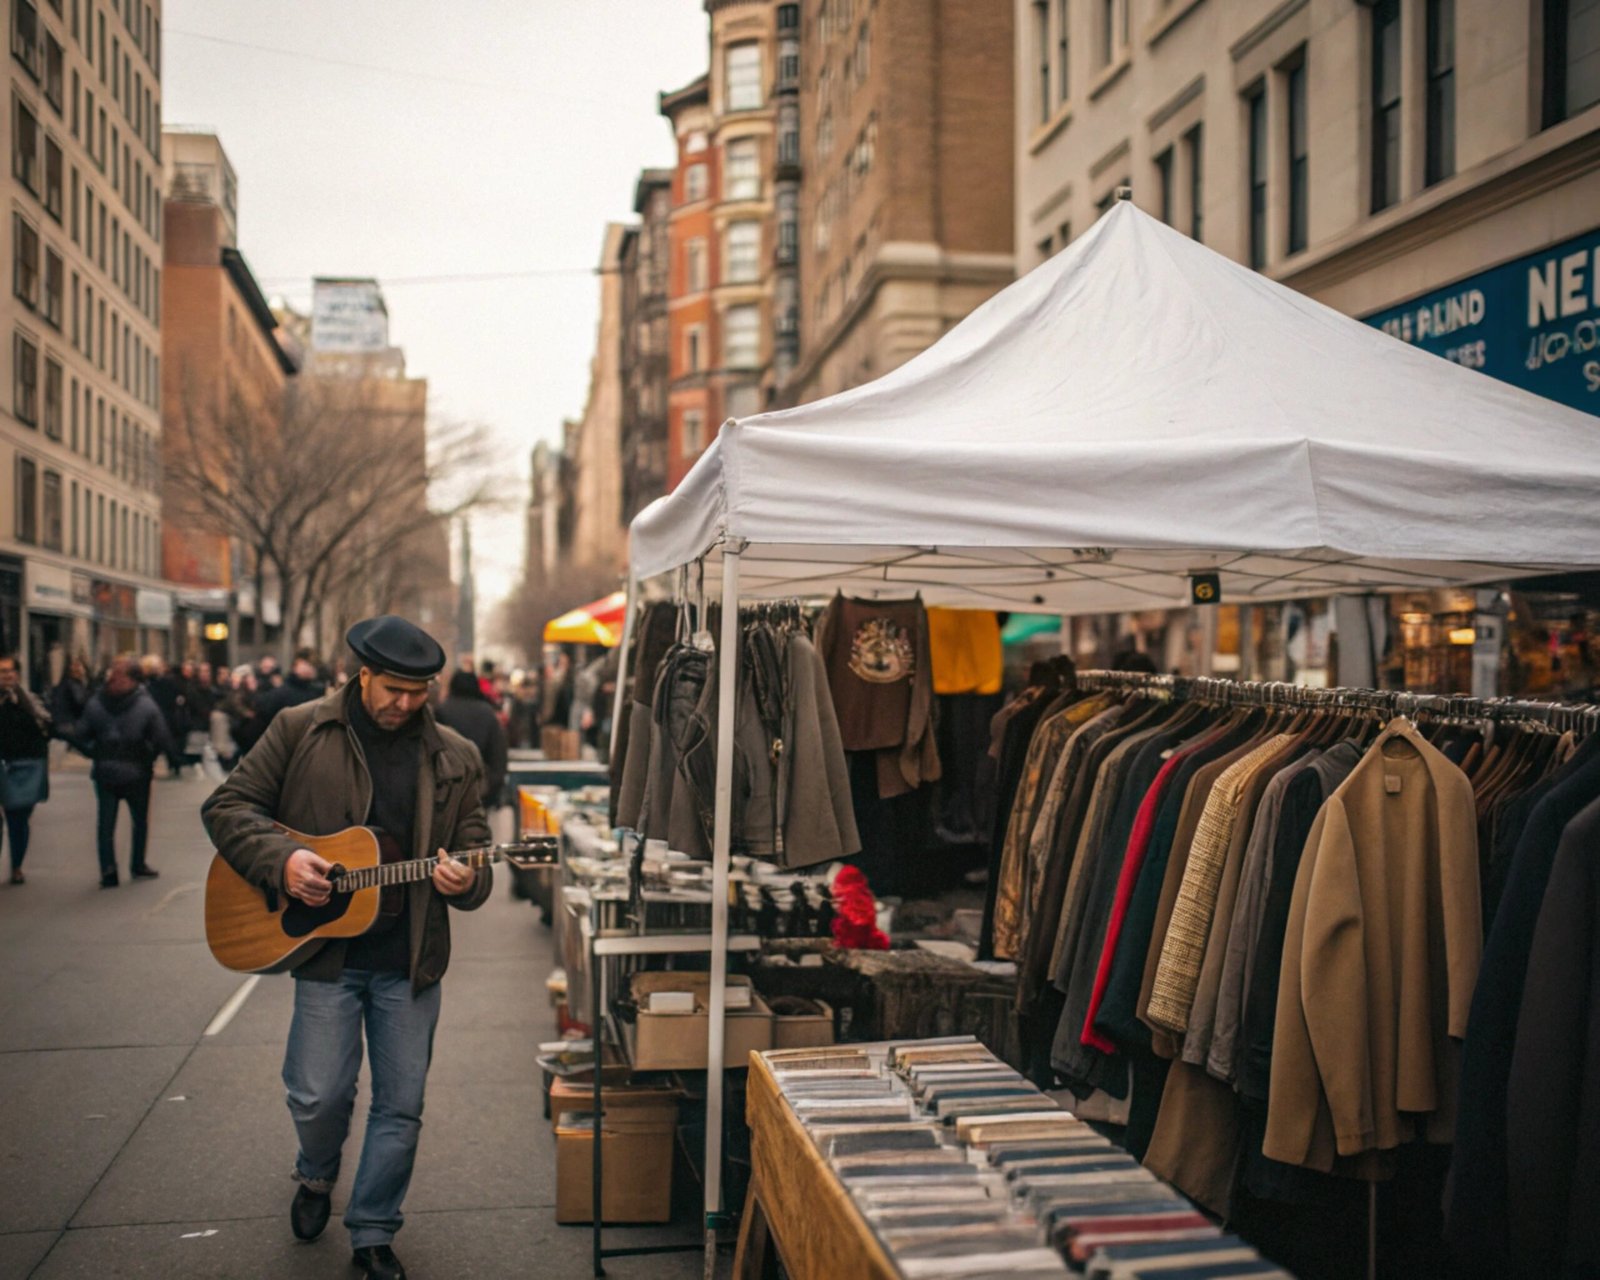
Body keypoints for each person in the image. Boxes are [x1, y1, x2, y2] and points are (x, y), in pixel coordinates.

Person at [201, 616, 492, 1280]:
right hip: (328, 956)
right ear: (361, 673)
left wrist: (470, 877)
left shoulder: (455, 756)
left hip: (409, 959)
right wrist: (285, 861)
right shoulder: (301, 730)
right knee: (318, 1094)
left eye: (419, 693)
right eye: (394, 689)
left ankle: (372, 1233)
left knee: (402, 1103)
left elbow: (475, 851)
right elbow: (229, 807)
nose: (405, 705)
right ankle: (315, 1173)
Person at [74, 656, 171, 887]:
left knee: (106, 823)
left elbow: (80, 735)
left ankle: (109, 870)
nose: (113, 677)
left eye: (117, 673)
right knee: (138, 821)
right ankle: (136, 864)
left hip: (107, 769)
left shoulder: (98, 702)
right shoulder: (146, 704)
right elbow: (160, 737)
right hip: (135, 770)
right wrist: (148, 757)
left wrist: (95, 752)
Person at [0, 654, 52, 884]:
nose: (7, 675)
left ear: (18, 674)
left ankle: (17, 866)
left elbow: (44, 726)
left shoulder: (27, 701)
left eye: (10, 671)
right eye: (2, 671)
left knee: (18, 820)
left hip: (23, 767)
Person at [434, 670, 508, 810]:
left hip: (445, 792)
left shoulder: (441, 710)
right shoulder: (487, 713)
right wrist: (492, 788)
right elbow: (498, 756)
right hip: (479, 791)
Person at [254, 649, 327, 735]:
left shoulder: (317, 690)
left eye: (312, 665)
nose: (311, 668)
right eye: (307, 664)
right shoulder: (282, 693)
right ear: (296, 666)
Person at [144, 655, 191, 778]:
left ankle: (172, 763)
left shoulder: (150, 683)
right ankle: (174, 763)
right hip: (165, 716)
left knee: (160, 743)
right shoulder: (166, 682)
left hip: (161, 716)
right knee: (166, 742)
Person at [49, 653, 92, 744]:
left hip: (59, 725)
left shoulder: (63, 684)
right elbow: (81, 702)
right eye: (76, 666)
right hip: (69, 726)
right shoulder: (73, 684)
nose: (78, 668)